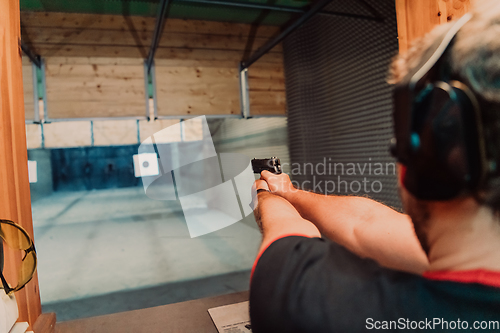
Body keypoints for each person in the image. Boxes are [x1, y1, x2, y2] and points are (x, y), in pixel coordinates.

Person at [249, 1, 500, 332]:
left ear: (424, 158)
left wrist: (268, 199)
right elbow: (364, 223)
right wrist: (290, 193)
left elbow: (284, 249)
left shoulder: (307, 304)